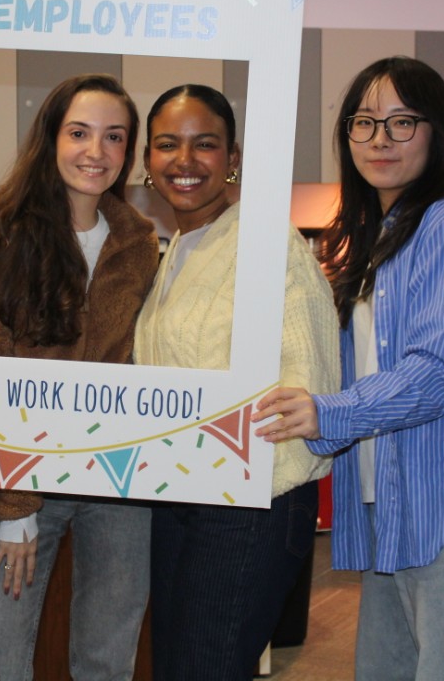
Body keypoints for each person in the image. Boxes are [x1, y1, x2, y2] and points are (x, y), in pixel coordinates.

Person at [254, 56, 444, 680]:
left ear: (436, 133)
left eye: (402, 122)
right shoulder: (379, 238)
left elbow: (432, 374)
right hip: (393, 499)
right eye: (365, 122)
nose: (380, 138)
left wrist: (324, 411)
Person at [0, 74, 159, 680]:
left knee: (107, 660)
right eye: (79, 132)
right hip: (21, 485)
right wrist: (15, 508)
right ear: (51, 137)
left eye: (114, 137)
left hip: (119, 483)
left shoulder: (140, 243)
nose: (97, 152)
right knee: (5, 659)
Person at [132, 84, 340, 680]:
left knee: (207, 667)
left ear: (234, 157)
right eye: (168, 144)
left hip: (250, 503)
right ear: (148, 160)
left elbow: (310, 380)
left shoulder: (270, 245)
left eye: (206, 144)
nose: (185, 160)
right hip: (181, 497)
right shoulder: (179, 248)